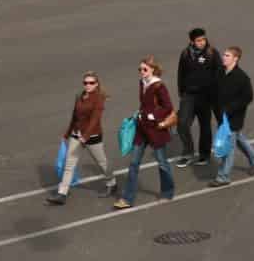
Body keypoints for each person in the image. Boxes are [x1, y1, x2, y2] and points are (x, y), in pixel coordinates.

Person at [113, 56, 177, 209]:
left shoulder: (158, 86)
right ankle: (127, 198)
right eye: (140, 69)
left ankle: (167, 192)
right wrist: (140, 113)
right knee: (134, 163)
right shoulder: (142, 83)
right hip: (142, 129)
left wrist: (153, 115)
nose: (141, 72)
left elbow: (167, 106)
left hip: (155, 130)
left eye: (144, 69)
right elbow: (145, 103)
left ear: (152, 70)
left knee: (162, 163)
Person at [50, 71, 116, 203]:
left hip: (92, 136)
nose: (88, 85)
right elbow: (74, 116)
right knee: (69, 164)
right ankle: (62, 193)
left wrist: (85, 137)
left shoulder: (99, 98)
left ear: (96, 84)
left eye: (91, 83)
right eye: (85, 83)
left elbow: (95, 120)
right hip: (76, 135)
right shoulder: (79, 96)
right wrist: (68, 133)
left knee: (102, 162)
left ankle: (112, 183)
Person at [210, 46, 254, 185]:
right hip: (222, 115)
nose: (223, 57)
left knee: (228, 147)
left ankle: (223, 177)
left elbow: (248, 97)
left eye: (227, 55)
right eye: (224, 55)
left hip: (234, 117)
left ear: (235, 58)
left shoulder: (242, 78)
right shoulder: (221, 72)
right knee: (238, 138)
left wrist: (230, 109)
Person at [174, 28, 220, 168]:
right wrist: (182, 92)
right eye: (199, 40)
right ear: (192, 41)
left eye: (203, 39)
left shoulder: (212, 53)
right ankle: (188, 153)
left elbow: (218, 74)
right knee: (182, 124)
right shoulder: (186, 54)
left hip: (205, 96)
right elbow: (181, 73)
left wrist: (215, 94)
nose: (202, 42)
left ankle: (204, 155)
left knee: (205, 126)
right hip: (189, 95)